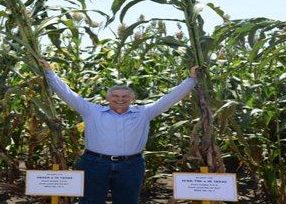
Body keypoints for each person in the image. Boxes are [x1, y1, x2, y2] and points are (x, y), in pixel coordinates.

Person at [39, 59, 199, 204]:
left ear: (133, 98)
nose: (120, 99)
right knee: (90, 202)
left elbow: (170, 98)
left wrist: (191, 78)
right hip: (95, 163)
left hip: (131, 165)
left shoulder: (145, 112)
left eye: (125, 96)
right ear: (107, 98)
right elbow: (67, 94)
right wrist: (49, 72)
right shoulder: (91, 110)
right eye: (115, 96)